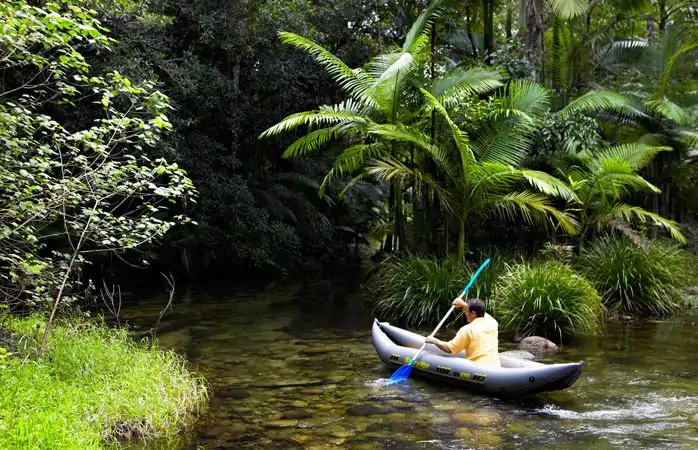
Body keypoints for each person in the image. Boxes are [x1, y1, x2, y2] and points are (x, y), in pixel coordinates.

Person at [424, 298, 501, 368]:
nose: (465, 313)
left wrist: (435, 341)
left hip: (478, 369)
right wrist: (463, 304)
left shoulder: (467, 329)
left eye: (466, 311)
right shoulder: (492, 323)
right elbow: (482, 313)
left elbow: (450, 349)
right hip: (495, 367)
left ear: (473, 313)